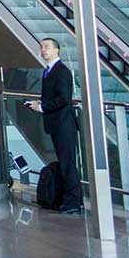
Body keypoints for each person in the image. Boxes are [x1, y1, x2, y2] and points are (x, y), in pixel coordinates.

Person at [27, 37, 83, 214]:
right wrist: (40, 103)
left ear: (56, 50)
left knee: (68, 163)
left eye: (47, 47)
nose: (43, 50)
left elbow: (64, 98)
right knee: (65, 162)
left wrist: (42, 106)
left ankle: (74, 201)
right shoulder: (49, 71)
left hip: (64, 124)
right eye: (41, 47)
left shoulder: (61, 71)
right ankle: (68, 198)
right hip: (56, 124)